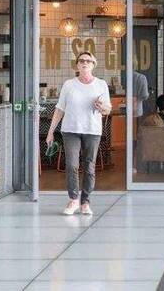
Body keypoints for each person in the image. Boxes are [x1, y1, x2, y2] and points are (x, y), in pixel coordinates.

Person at [46, 51, 111, 215]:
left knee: (89, 167)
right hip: (70, 130)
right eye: (81, 60)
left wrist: (101, 107)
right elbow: (60, 109)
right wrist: (51, 131)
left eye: (88, 61)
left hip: (92, 130)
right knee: (72, 165)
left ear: (93, 64)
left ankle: (85, 202)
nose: (84, 63)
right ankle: (73, 199)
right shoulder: (69, 84)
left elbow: (107, 109)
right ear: (77, 65)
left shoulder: (101, 84)